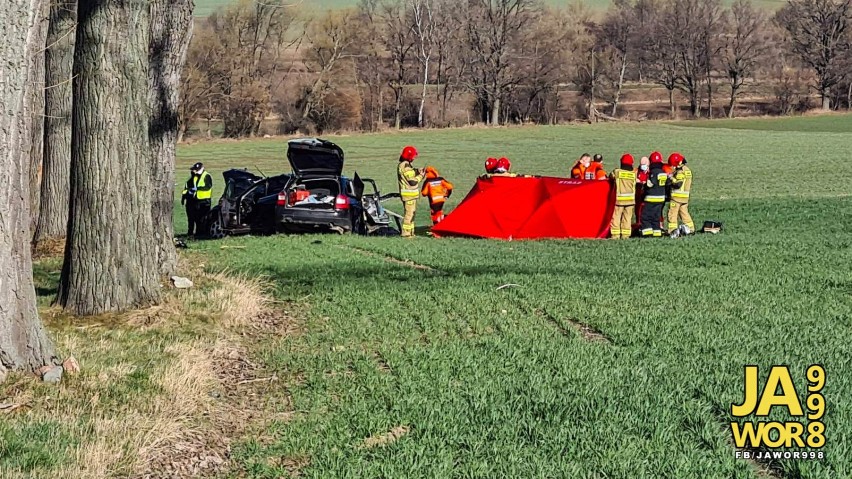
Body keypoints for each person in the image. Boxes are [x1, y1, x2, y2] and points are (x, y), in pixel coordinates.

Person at [397, 145, 425, 238]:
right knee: (409, 215)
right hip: (408, 195)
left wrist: (417, 171)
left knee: (412, 214)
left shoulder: (407, 165)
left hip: (411, 196)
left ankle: (411, 233)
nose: (414, 158)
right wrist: (421, 176)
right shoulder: (405, 165)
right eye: (413, 156)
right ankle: (406, 234)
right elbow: (412, 181)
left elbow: (410, 173)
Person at [609, 154, 638, 239]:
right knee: (627, 219)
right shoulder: (634, 174)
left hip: (619, 200)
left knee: (616, 218)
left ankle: (615, 235)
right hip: (631, 200)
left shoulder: (617, 172)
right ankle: (626, 235)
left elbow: (611, 177)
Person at [639, 151, 667, 237]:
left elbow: (650, 184)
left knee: (645, 216)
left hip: (651, 197)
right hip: (661, 198)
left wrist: (644, 184)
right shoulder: (663, 172)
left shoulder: (653, 172)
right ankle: (657, 233)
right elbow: (668, 183)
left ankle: (647, 233)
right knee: (656, 217)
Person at [181, 162, 213, 238]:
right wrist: (184, 196)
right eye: (193, 170)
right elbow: (186, 188)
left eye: (196, 170)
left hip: (203, 201)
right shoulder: (192, 178)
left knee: (201, 220)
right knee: (191, 219)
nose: (194, 171)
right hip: (192, 201)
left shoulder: (207, 176)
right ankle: (190, 234)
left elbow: (207, 187)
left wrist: (196, 189)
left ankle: (200, 234)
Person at [666, 152, 695, 234]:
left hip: (677, 197)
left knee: (672, 214)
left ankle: (672, 231)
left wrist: (671, 178)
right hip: (685, 197)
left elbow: (678, 184)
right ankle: (691, 229)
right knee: (684, 213)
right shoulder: (687, 170)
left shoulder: (680, 172)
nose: (673, 167)